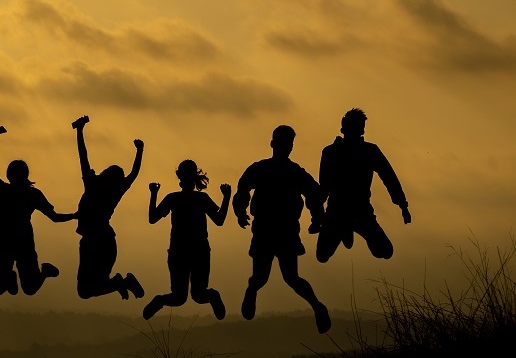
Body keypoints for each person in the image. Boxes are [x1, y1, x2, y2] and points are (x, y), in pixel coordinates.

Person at [233, 125, 331, 334]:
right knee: (262, 277)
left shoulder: (294, 172)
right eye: (283, 143)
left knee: (290, 278)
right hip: (265, 230)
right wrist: (240, 211)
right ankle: (252, 290)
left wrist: (317, 218)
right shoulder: (262, 169)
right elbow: (242, 188)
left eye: (288, 144)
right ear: (273, 144)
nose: (286, 147)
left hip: (285, 230)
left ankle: (317, 307)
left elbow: (314, 194)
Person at [0, 125, 75, 297]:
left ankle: (43, 272)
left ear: (10, 175)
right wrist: (75, 215)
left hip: (16, 244)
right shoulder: (20, 192)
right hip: (12, 244)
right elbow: (55, 217)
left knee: (23, 288)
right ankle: (13, 277)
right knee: (13, 289)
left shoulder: (9, 191)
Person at [315, 108, 412, 263]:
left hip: (361, 211)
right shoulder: (331, 152)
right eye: (355, 128)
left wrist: (403, 205)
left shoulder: (369, 151)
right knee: (322, 256)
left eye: (359, 128)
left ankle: (347, 230)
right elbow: (324, 186)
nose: (358, 132)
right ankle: (345, 231)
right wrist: (318, 216)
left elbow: (389, 177)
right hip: (337, 211)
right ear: (344, 129)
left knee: (386, 252)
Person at [70, 115, 145, 301]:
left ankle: (120, 283)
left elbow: (83, 156)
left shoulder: (93, 184)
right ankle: (121, 283)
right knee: (87, 290)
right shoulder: (114, 190)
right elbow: (133, 174)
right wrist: (139, 151)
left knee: (85, 291)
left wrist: (80, 131)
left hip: (96, 243)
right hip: (103, 243)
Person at [143, 160, 230, 320]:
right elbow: (219, 220)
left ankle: (161, 301)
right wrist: (226, 198)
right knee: (197, 295)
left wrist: (154, 194)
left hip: (183, 252)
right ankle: (212, 296)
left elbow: (152, 218)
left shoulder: (176, 198)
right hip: (193, 252)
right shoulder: (196, 198)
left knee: (180, 297)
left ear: (180, 177)